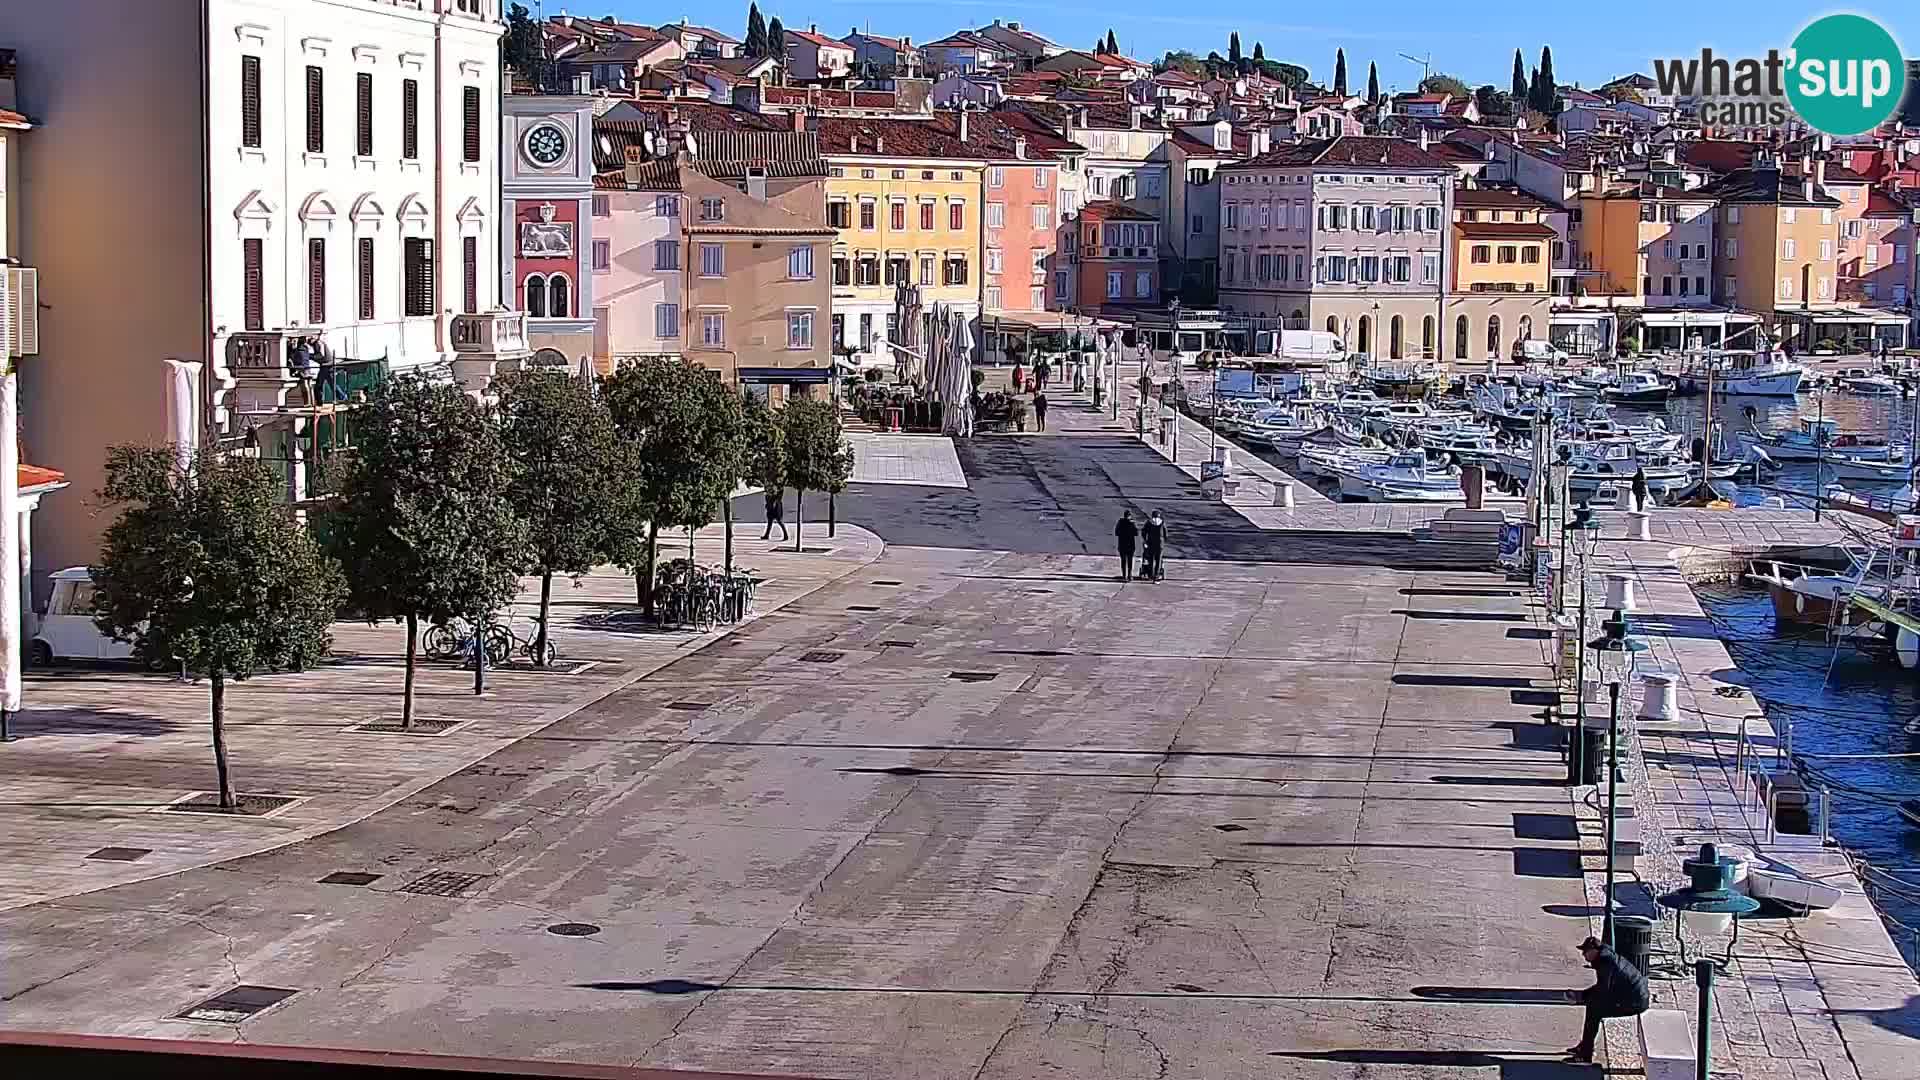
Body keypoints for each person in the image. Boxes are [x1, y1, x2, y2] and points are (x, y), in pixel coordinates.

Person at [1565, 935, 1650, 1063]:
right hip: (1632, 996)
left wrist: (1581, 997)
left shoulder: (1606, 963)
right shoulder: (1606, 958)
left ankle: (1585, 1055)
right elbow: (1604, 989)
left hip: (1635, 1001)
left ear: (1594, 950)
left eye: (1585, 951)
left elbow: (1603, 990)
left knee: (1594, 1011)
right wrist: (1583, 996)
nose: (1583, 955)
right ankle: (1584, 1047)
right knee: (1593, 1006)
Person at [1141, 510, 1166, 580]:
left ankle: (1150, 574)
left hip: (1151, 543)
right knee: (1159, 560)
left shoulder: (1149, 522)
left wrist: (1145, 540)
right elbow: (1165, 533)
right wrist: (1164, 541)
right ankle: (1156, 575)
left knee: (1151, 559)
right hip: (1160, 544)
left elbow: (1143, 532)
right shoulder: (1162, 523)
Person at [1115, 511, 1138, 582]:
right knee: (1130, 560)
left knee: (1123, 560)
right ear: (1129, 516)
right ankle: (1129, 575)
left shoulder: (1120, 523)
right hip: (1130, 544)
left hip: (1122, 544)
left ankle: (1124, 575)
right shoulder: (1132, 523)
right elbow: (1136, 533)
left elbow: (1116, 532)